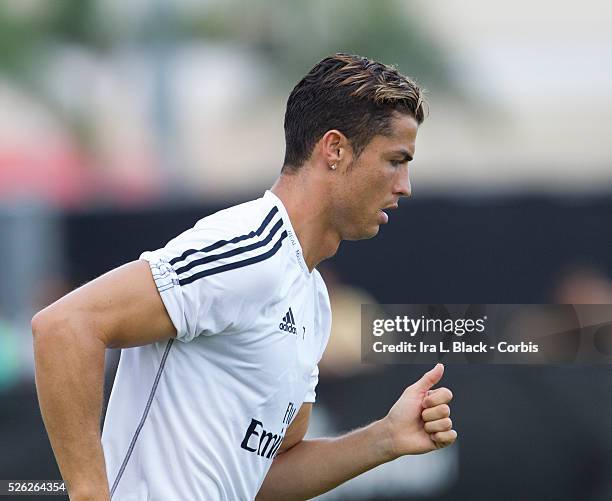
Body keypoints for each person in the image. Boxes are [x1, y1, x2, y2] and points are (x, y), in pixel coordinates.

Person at [32, 53, 456, 501]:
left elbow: (261, 480)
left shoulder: (312, 298)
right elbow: (64, 327)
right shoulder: (249, 250)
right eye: (395, 160)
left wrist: (384, 439)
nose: (405, 185)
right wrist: (90, 494)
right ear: (335, 150)